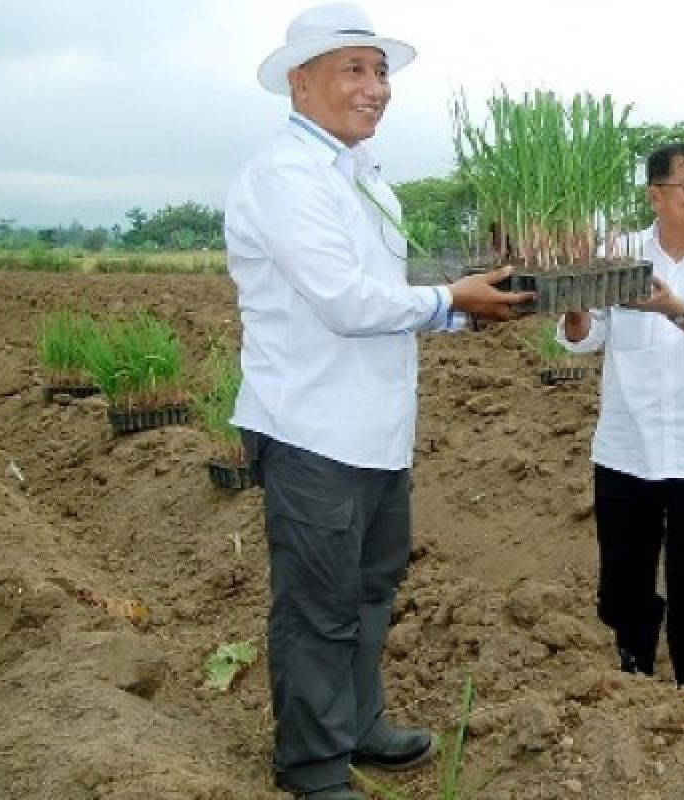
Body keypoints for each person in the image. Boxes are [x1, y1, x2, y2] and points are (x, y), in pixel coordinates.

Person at [224, 4, 530, 798]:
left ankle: (357, 723)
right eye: (353, 69)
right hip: (312, 429)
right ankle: (314, 765)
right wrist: (450, 299)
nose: (375, 88)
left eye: (380, 71)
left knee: (369, 587)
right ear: (301, 81)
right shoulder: (287, 174)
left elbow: (393, 299)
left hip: (373, 429)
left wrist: (472, 309)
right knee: (318, 604)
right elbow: (347, 301)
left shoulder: (364, 178)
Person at [557, 143, 684, 733]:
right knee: (624, 573)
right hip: (627, 443)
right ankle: (633, 667)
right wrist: (573, 311)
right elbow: (585, 336)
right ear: (656, 194)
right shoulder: (617, 254)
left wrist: (677, 308)